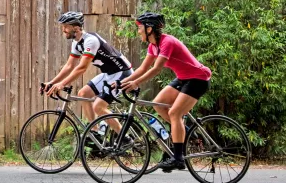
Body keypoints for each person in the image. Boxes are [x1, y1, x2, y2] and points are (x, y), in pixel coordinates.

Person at [120, 12, 211, 172]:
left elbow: (156, 69)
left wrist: (136, 83)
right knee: (158, 104)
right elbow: (143, 68)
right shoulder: (152, 45)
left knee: (175, 113)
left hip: (198, 79)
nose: (138, 31)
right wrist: (123, 83)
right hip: (183, 78)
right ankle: (183, 132)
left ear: (149, 29)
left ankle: (178, 158)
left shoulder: (167, 42)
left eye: (140, 28)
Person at [42, 11, 133, 137]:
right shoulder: (76, 42)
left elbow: (82, 68)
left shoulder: (91, 41)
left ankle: (125, 138)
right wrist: (52, 82)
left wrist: (62, 84)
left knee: (99, 107)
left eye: (66, 26)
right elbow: (69, 66)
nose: (63, 30)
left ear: (76, 27)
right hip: (108, 73)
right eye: (63, 27)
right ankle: (96, 133)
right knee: (83, 94)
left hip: (122, 73)